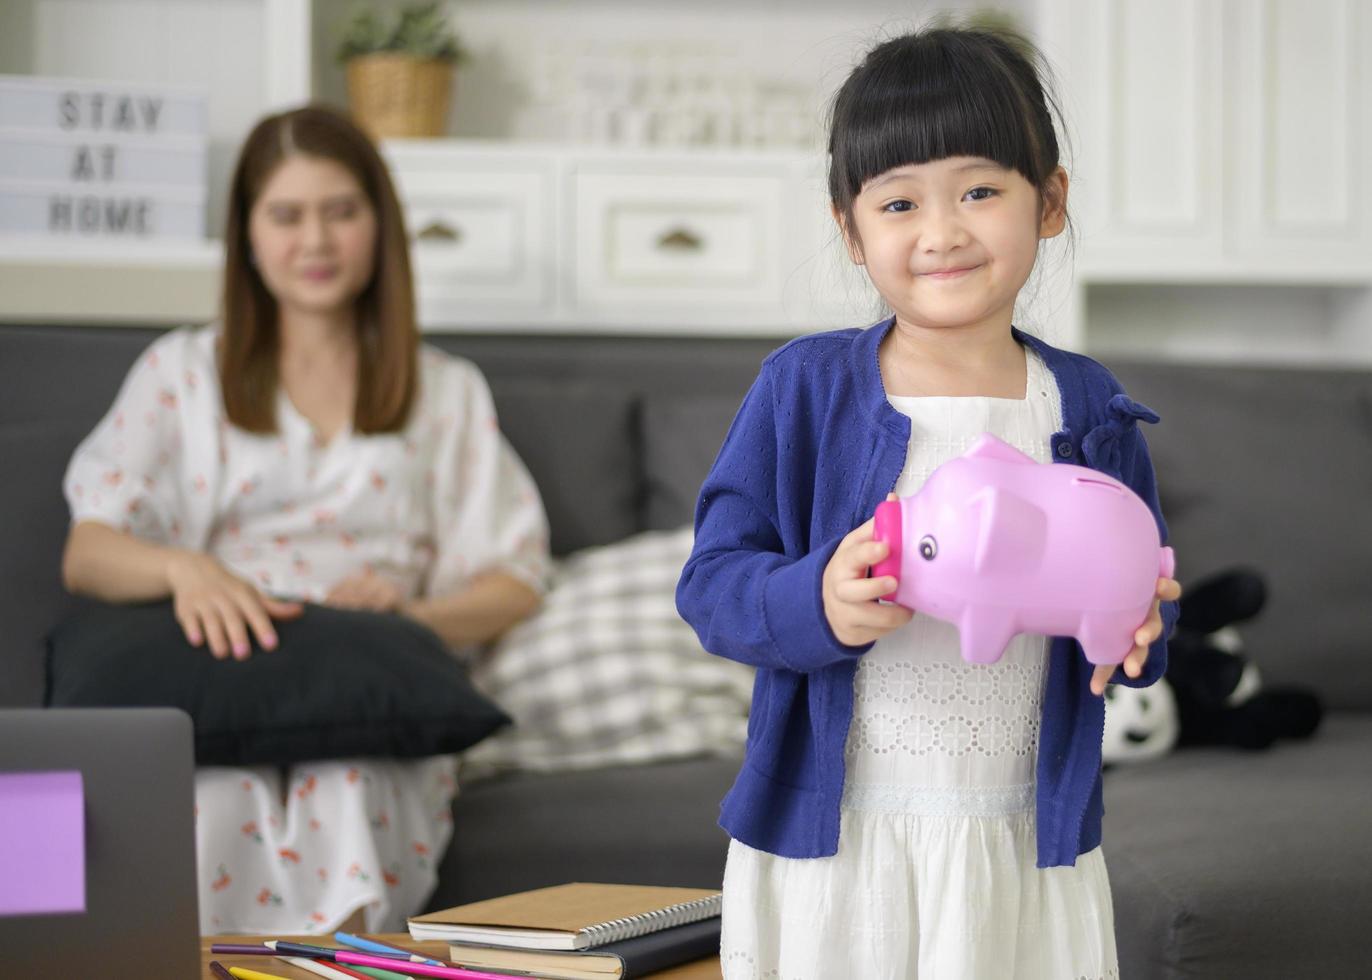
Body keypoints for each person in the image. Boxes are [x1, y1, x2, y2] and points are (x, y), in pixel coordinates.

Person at [676, 26, 1182, 979]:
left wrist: (1145, 638)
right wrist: (814, 600)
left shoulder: (1088, 404)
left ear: (1052, 202)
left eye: (980, 191)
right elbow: (712, 582)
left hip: (1021, 838)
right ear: (851, 228)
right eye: (900, 201)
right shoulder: (803, 389)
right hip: (843, 841)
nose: (942, 231)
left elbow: (1137, 587)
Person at [60, 105, 551, 933]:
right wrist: (186, 568)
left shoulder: (447, 390)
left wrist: (411, 615)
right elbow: (89, 549)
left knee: (352, 790)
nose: (315, 241)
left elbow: (516, 578)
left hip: (371, 684)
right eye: (286, 215)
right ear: (247, 234)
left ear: (379, 227)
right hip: (225, 679)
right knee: (215, 795)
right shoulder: (181, 370)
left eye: (341, 212)